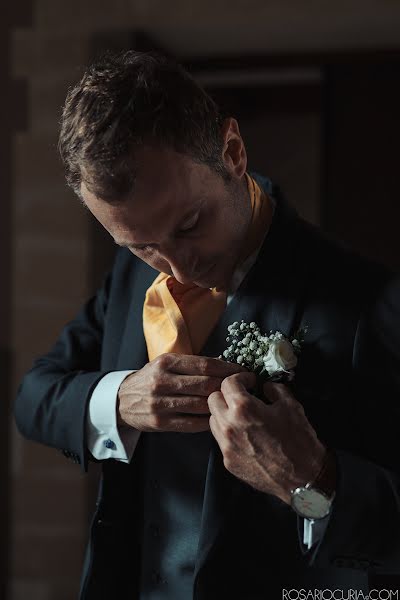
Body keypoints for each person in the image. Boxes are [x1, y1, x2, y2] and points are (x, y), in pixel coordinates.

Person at [14, 50, 400, 599]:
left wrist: (312, 480)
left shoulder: (369, 301)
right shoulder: (129, 277)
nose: (179, 268)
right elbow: (33, 399)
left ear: (233, 152)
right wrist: (118, 399)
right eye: (142, 245)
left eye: (191, 224)